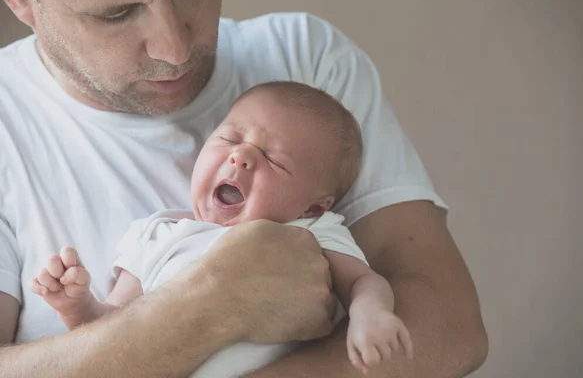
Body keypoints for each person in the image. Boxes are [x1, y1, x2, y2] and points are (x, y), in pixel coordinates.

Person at [0, 0, 488, 377]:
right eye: (116, 13)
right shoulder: (157, 234)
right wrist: (214, 301)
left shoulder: (306, 62)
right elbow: (110, 315)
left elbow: (446, 324)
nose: (174, 48)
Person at [31, 81, 415, 376]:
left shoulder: (311, 230)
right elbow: (112, 331)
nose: (241, 156)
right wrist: (78, 306)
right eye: (230, 138)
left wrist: (370, 314)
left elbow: (365, 282)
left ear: (313, 204)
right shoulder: (159, 234)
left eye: (274, 161)